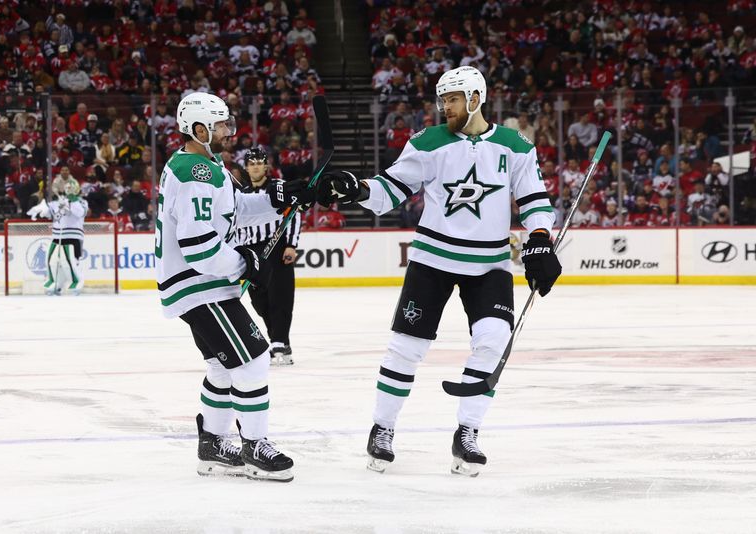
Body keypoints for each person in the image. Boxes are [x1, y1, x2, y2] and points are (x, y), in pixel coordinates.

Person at [315, 67, 561, 476]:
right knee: (406, 348)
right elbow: (391, 189)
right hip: (432, 259)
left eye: (452, 98)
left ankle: (467, 433)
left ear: (476, 98)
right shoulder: (427, 142)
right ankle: (383, 427)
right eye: (442, 99)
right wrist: (357, 188)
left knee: (493, 340)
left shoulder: (515, 145)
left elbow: (535, 198)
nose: (444, 106)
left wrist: (539, 238)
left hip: (489, 264)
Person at [155, 93, 313, 482]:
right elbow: (198, 246)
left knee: (222, 365)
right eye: (221, 124)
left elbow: (236, 209)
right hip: (200, 284)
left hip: (199, 284)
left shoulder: (206, 165)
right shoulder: (198, 173)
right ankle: (255, 446)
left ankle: (212, 444)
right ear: (199, 129)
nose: (230, 130)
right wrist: (244, 263)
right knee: (255, 358)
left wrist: (282, 195)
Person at [234, 148, 301, 366]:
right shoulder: (240, 193)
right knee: (259, 301)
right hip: (251, 251)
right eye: (251, 163)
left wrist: (291, 244)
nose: (255, 166)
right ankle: (278, 339)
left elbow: (294, 212)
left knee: (279, 297)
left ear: (266, 166)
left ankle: (279, 340)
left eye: (259, 162)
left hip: (276, 247)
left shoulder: (277, 188)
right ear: (246, 167)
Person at [27, 177, 88, 295]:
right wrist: (42, 209)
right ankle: (55, 283)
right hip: (57, 236)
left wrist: (71, 201)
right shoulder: (58, 202)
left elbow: (80, 213)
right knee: (52, 261)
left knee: (68, 262)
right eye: (68, 188)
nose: (69, 190)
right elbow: (50, 212)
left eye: (71, 188)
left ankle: (75, 283)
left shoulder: (82, 202)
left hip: (73, 237)